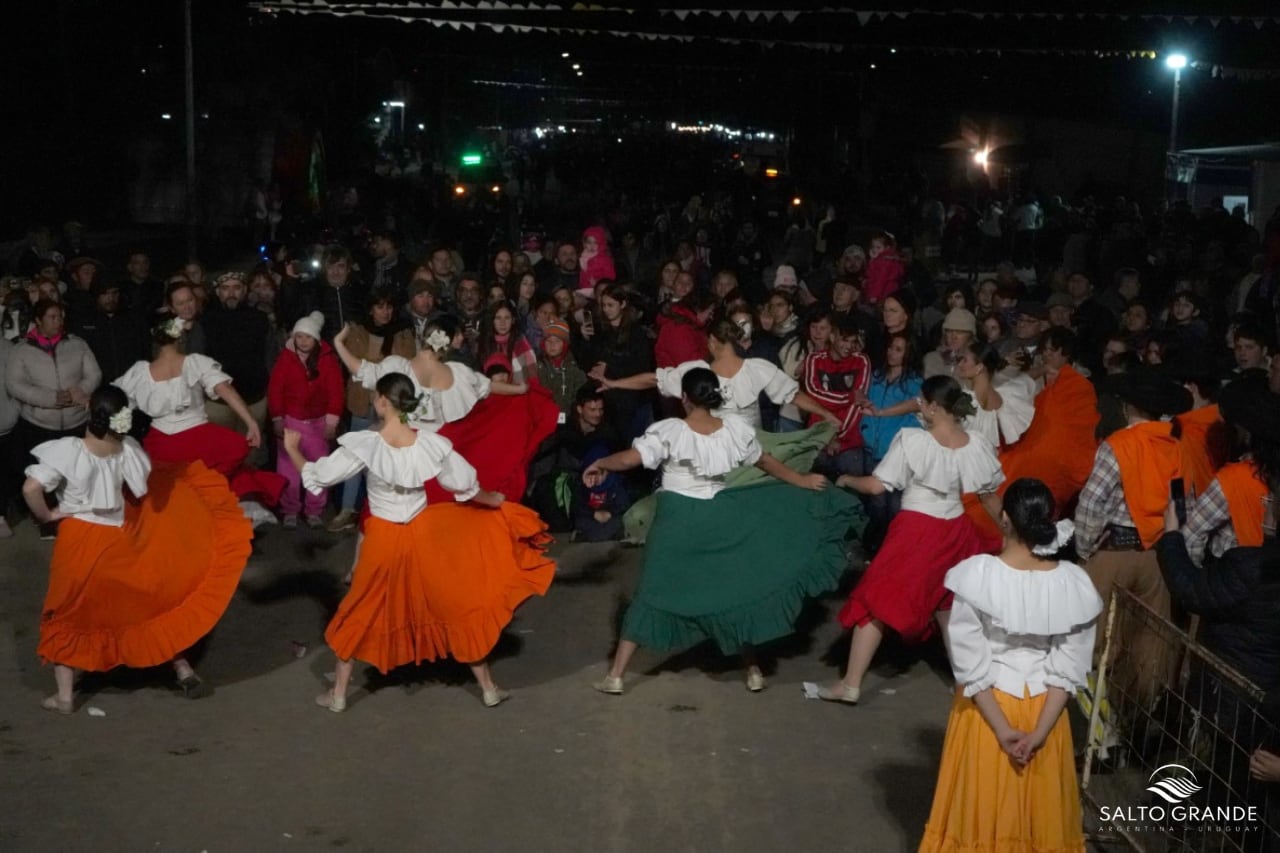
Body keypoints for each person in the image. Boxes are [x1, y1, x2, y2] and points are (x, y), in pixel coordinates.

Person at [292, 373, 555, 712]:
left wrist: (291, 449)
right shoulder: (428, 443)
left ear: (384, 402)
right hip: (422, 534)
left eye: (376, 397)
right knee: (453, 606)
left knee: (359, 608)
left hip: (383, 539)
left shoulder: (367, 444)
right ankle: (488, 687)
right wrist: (495, 502)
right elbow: (468, 487)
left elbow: (320, 477)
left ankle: (339, 695)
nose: (374, 402)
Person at [587, 368, 858, 694]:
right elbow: (766, 462)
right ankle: (753, 669)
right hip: (718, 517)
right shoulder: (732, 430)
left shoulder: (671, 430)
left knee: (652, 593)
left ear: (684, 398)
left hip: (677, 521)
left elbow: (632, 459)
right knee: (732, 593)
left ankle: (616, 675)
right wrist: (801, 480)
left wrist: (601, 463)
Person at [25, 386, 253, 712]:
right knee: (149, 605)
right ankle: (181, 666)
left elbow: (31, 487)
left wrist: (47, 515)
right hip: (120, 535)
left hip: (80, 540)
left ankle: (64, 697)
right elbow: (140, 486)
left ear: (93, 415)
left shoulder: (70, 451)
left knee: (68, 612)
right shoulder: (126, 449)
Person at [919, 478, 1101, 853]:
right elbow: (1068, 670)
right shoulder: (1074, 584)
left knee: (981, 818)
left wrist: (1003, 731)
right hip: (1044, 715)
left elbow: (969, 665)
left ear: (1004, 519)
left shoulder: (977, 576)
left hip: (986, 712)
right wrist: (1037, 734)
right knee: (1039, 822)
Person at [819, 376, 1004, 704]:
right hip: (956, 530)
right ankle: (970, 686)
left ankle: (850, 683)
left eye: (922, 402)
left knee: (873, 601)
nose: (918, 405)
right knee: (948, 607)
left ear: (933, 407)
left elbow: (877, 487)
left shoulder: (913, 441)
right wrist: (1009, 535)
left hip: (917, 530)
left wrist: (846, 478)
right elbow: (990, 499)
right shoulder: (973, 443)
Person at [1074, 367, 1192, 708]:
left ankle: (1098, 731)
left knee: (1093, 643)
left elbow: (1092, 501)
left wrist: (1085, 548)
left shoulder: (1119, 444)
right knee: (1148, 648)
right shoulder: (1175, 447)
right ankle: (1134, 721)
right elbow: (1181, 504)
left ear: (1128, 407)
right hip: (1157, 557)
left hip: (1112, 552)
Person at [600, 318, 838, 432]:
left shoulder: (749, 369)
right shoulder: (755, 368)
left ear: (712, 341)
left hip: (744, 451)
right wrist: (826, 413)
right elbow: (794, 396)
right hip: (722, 449)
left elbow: (652, 378)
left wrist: (613, 382)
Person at [329, 290, 416, 532]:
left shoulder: (402, 332)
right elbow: (351, 365)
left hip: (390, 406)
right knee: (355, 455)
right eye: (380, 307)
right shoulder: (357, 331)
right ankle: (348, 509)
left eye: (388, 307)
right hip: (361, 402)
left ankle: (380, 510)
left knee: (386, 460)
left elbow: (405, 368)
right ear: (371, 309)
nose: (385, 312)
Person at [1182, 376, 1275, 566]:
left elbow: (1190, 538)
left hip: (1235, 579)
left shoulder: (1233, 479)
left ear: (1244, 431)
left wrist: (1196, 582)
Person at [268, 311, 345, 529]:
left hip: (318, 424)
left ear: (316, 339)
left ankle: (314, 509)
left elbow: (336, 391)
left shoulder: (327, 360)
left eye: (308, 337)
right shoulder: (285, 359)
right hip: (292, 423)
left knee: (319, 469)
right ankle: (290, 508)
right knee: (289, 470)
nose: (303, 341)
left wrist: (332, 422)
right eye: (299, 336)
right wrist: (277, 418)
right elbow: (276, 390)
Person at [535, 319, 586, 415]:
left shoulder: (575, 369)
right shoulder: (536, 367)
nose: (552, 345)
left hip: (568, 420)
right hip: (543, 417)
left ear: (565, 344)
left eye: (557, 341)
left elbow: (581, 398)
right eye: (548, 341)